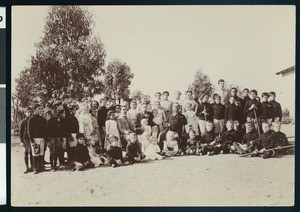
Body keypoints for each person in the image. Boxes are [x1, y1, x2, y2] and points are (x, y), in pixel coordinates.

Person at [27, 104, 47, 174]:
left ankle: (41, 167)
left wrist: (45, 139)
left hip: (42, 139)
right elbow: (29, 131)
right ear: (35, 109)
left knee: (41, 153)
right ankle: (35, 168)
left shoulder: (42, 119)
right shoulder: (31, 119)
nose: (40, 110)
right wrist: (32, 141)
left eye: (41, 108)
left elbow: (45, 130)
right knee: (35, 154)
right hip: (35, 139)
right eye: (39, 108)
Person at [19, 108, 34, 174]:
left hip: (32, 138)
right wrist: (21, 141)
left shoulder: (33, 120)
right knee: (26, 152)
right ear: (25, 113)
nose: (29, 113)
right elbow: (20, 132)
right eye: (28, 112)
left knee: (31, 152)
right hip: (25, 138)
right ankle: (26, 167)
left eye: (30, 112)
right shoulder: (23, 121)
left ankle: (32, 166)